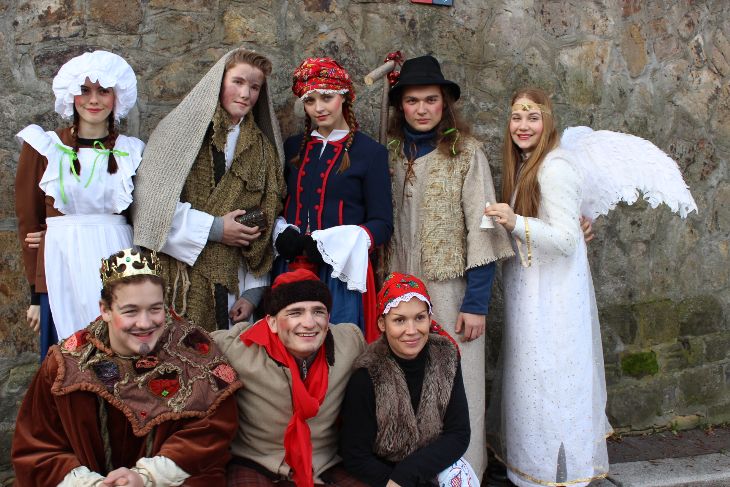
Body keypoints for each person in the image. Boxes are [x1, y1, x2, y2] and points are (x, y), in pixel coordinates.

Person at [11, 247, 241, 486]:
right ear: (105, 310)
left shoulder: (195, 351)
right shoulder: (65, 365)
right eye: (130, 311)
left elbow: (214, 429)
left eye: (155, 309)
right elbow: (37, 447)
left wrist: (147, 478)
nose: (145, 323)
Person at [385, 54, 514, 477]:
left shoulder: (465, 154)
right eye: (412, 101)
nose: (422, 109)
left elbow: (483, 227)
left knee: (459, 383)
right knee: (407, 382)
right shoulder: (390, 155)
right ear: (400, 106)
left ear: (445, 104)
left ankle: (466, 473)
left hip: (451, 292)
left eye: (431, 100)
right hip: (401, 292)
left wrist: (476, 303)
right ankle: (413, 472)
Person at [484, 88, 611, 487]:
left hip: (553, 299)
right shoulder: (527, 164)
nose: (523, 126)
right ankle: (533, 469)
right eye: (516, 117)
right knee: (531, 384)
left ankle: (557, 472)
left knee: (553, 383)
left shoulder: (554, 167)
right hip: (533, 294)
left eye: (533, 117)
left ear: (548, 121)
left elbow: (566, 240)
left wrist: (514, 221)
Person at [132, 48, 285, 331]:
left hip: (234, 284)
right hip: (179, 276)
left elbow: (267, 217)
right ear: (218, 82)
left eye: (254, 87)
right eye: (237, 82)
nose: (245, 94)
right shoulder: (177, 133)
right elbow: (152, 206)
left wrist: (254, 292)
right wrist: (215, 228)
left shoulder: (264, 149)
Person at [15, 50, 144, 353]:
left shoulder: (133, 151)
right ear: (71, 95)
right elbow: (28, 221)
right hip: (62, 265)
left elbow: (143, 218)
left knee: (119, 357)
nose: (93, 100)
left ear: (117, 97)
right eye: (84, 90)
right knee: (68, 356)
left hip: (119, 262)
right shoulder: (45, 147)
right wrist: (36, 295)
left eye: (103, 91)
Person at [212, 268, 367, 487]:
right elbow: (191, 347)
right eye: (295, 313)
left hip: (323, 465)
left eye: (318, 311)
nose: (309, 323)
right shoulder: (237, 348)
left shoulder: (350, 342)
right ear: (272, 322)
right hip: (256, 462)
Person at [273, 57, 392, 340]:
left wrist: (333, 244)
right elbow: (277, 202)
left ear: (344, 97)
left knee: (338, 347)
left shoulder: (370, 152)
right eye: (310, 100)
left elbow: (382, 224)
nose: (319, 108)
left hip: (341, 275)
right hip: (291, 266)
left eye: (327, 97)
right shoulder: (292, 148)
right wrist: (281, 232)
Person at [340, 272, 479, 487]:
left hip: (430, 463)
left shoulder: (446, 357)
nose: (412, 331)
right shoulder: (368, 374)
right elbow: (354, 454)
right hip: (384, 472)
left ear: (430, 318)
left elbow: (458, 433)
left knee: (459, 475)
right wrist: (396, 481)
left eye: (420, 318)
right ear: (382, 323)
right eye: (399, 320)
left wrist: (408, 475)